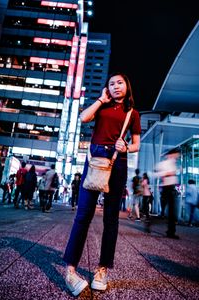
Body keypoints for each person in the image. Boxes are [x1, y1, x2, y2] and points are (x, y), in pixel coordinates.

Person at [63, 71, 141, 296]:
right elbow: (83, 118)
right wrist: (100, 99)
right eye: (112, 84)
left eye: (120, 83)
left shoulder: (133, 113)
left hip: (117, 164)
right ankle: (70, 269)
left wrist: (126, 147)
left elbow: (136, 144)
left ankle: (102, 269)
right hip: (94, 161)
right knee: (83, 214)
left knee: (111, 219)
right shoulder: (102, 106)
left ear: (127, 86)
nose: (116, 86)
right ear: (107, 88)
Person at [155, 148, 180, 239]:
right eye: (176, 154)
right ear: (171, 154)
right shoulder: (164, 164)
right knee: (164, 211)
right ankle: (150, 222)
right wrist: (168, 173)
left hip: (172, 188)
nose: (177, 156)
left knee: (172, 211)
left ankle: (171, 232)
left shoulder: (174, 164)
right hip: (166, 188)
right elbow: (156, 174)